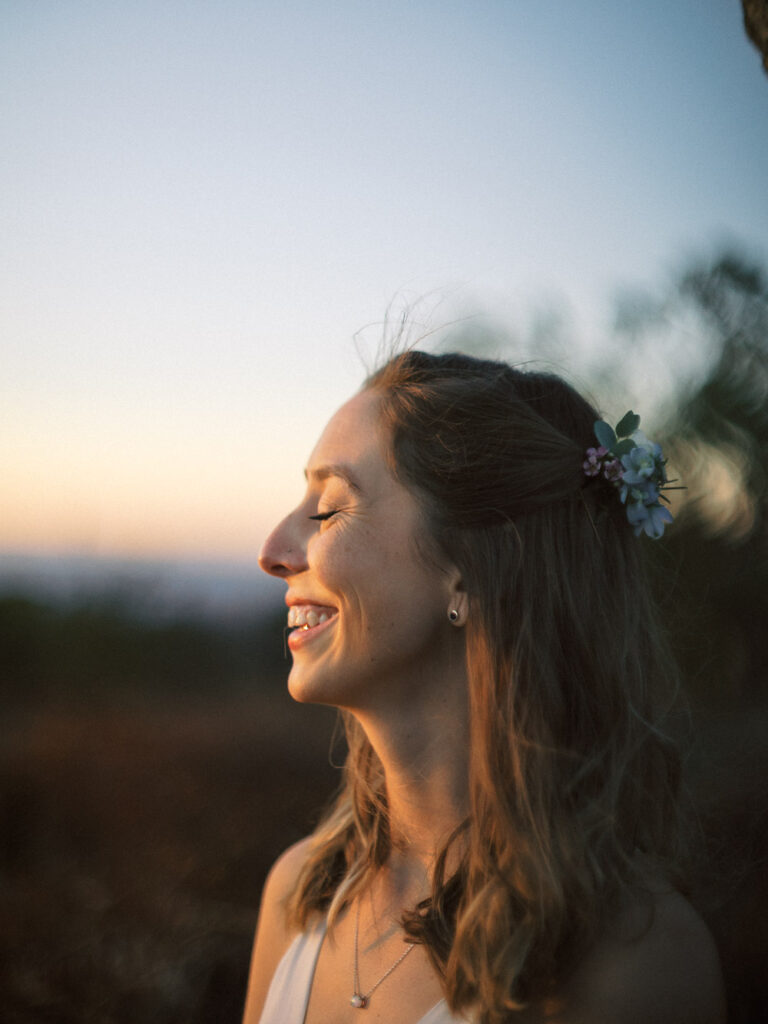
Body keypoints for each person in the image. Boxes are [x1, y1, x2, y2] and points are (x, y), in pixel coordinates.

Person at [243, 350, 725, 1024]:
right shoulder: (299, 898)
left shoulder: (635, 968)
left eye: (327, 508)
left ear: (467, 569)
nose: (272, 550)